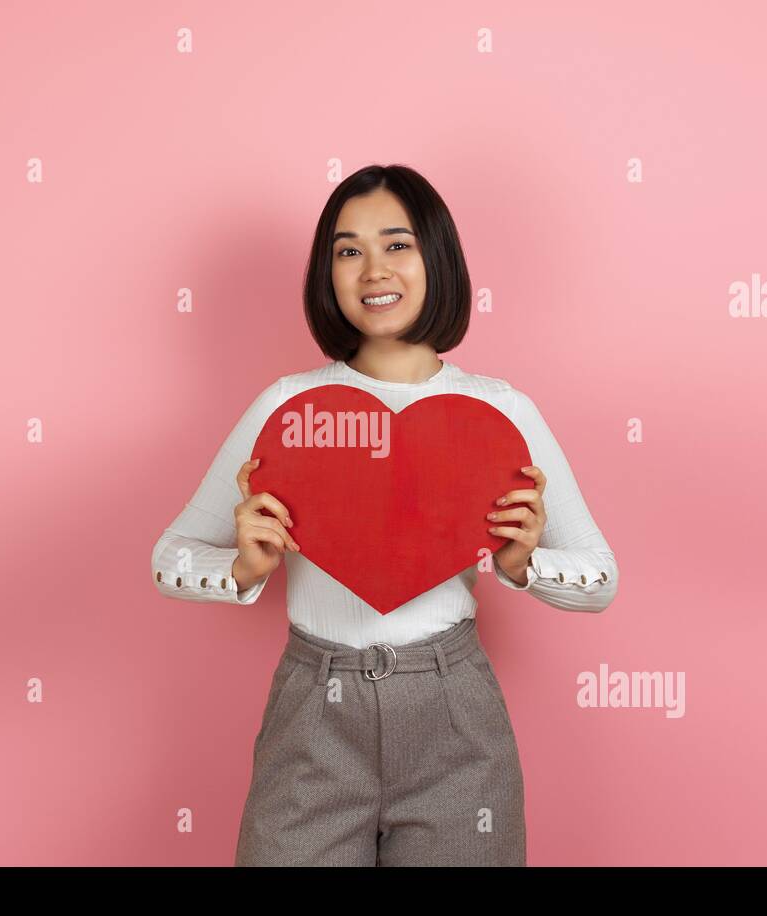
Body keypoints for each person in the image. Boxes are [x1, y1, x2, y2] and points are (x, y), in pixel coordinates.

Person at [150, 164, 618, 866]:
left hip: (456, 722)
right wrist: (243, 568)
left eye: (397, 244)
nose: (374, 269)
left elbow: (601, 578)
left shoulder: (501, 410)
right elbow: (170, 558)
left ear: (437, 259)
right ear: (326, 273)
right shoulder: (287, 407)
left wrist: (523, 565)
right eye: (348, 249)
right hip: (312, 720)